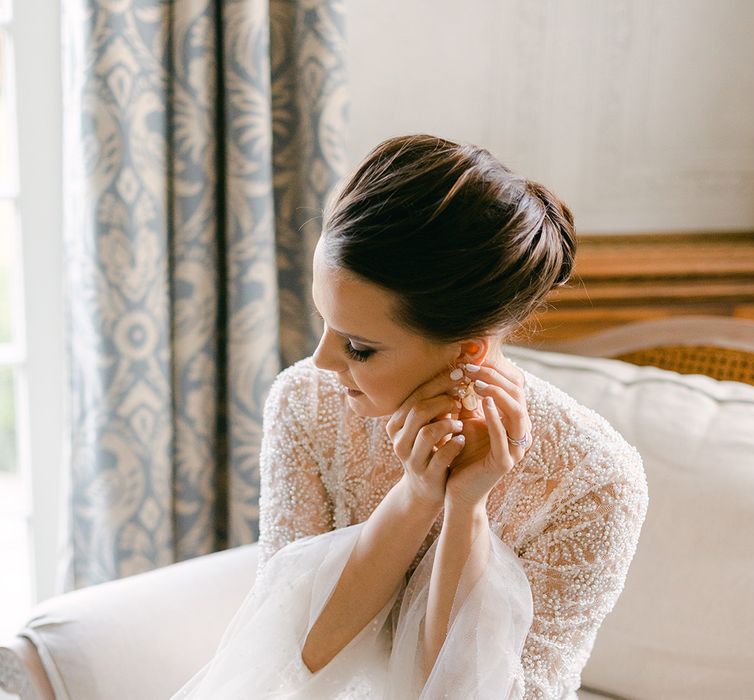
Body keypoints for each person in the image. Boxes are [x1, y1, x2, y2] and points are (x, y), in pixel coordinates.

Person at [170, 134, 649, 699]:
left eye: (358, 347)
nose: (323, 362)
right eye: (325, 322)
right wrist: (417, 495)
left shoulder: (594, 480)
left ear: (469, 350)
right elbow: (293, 651)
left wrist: (466, 507)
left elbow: (457, 692)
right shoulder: (308, 402)